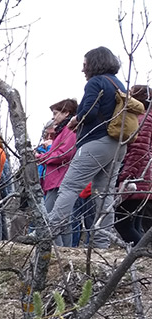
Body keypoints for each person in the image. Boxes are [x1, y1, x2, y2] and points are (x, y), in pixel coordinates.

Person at [44, 46, 127, 247]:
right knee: (103, 195)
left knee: (69, 188)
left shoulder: (95, 83)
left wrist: (75, 120)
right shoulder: (118, 85)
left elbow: (89, 112)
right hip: (118, 145)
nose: (83, 69)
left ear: (94, 63)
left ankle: (49, 236)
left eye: (85, 64)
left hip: (96, 143)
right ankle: (102, 245)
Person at [115, 85, 152, 243]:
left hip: (138, 176)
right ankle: (140, 257)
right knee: (135, 222)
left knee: (122, 222)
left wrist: (127, 176)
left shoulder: (142, 119)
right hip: (144, 176)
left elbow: (138, 150)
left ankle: (140, 255)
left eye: (130, 94)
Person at [36, 99, 78, 213]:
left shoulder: (69, 130)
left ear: (66, 113)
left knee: (52, 218)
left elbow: (64, 154)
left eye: (55, 113)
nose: (53, 118)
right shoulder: (62, 131)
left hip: (59, 180)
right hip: (55, 180)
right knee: (59, 221)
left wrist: (40, 157)